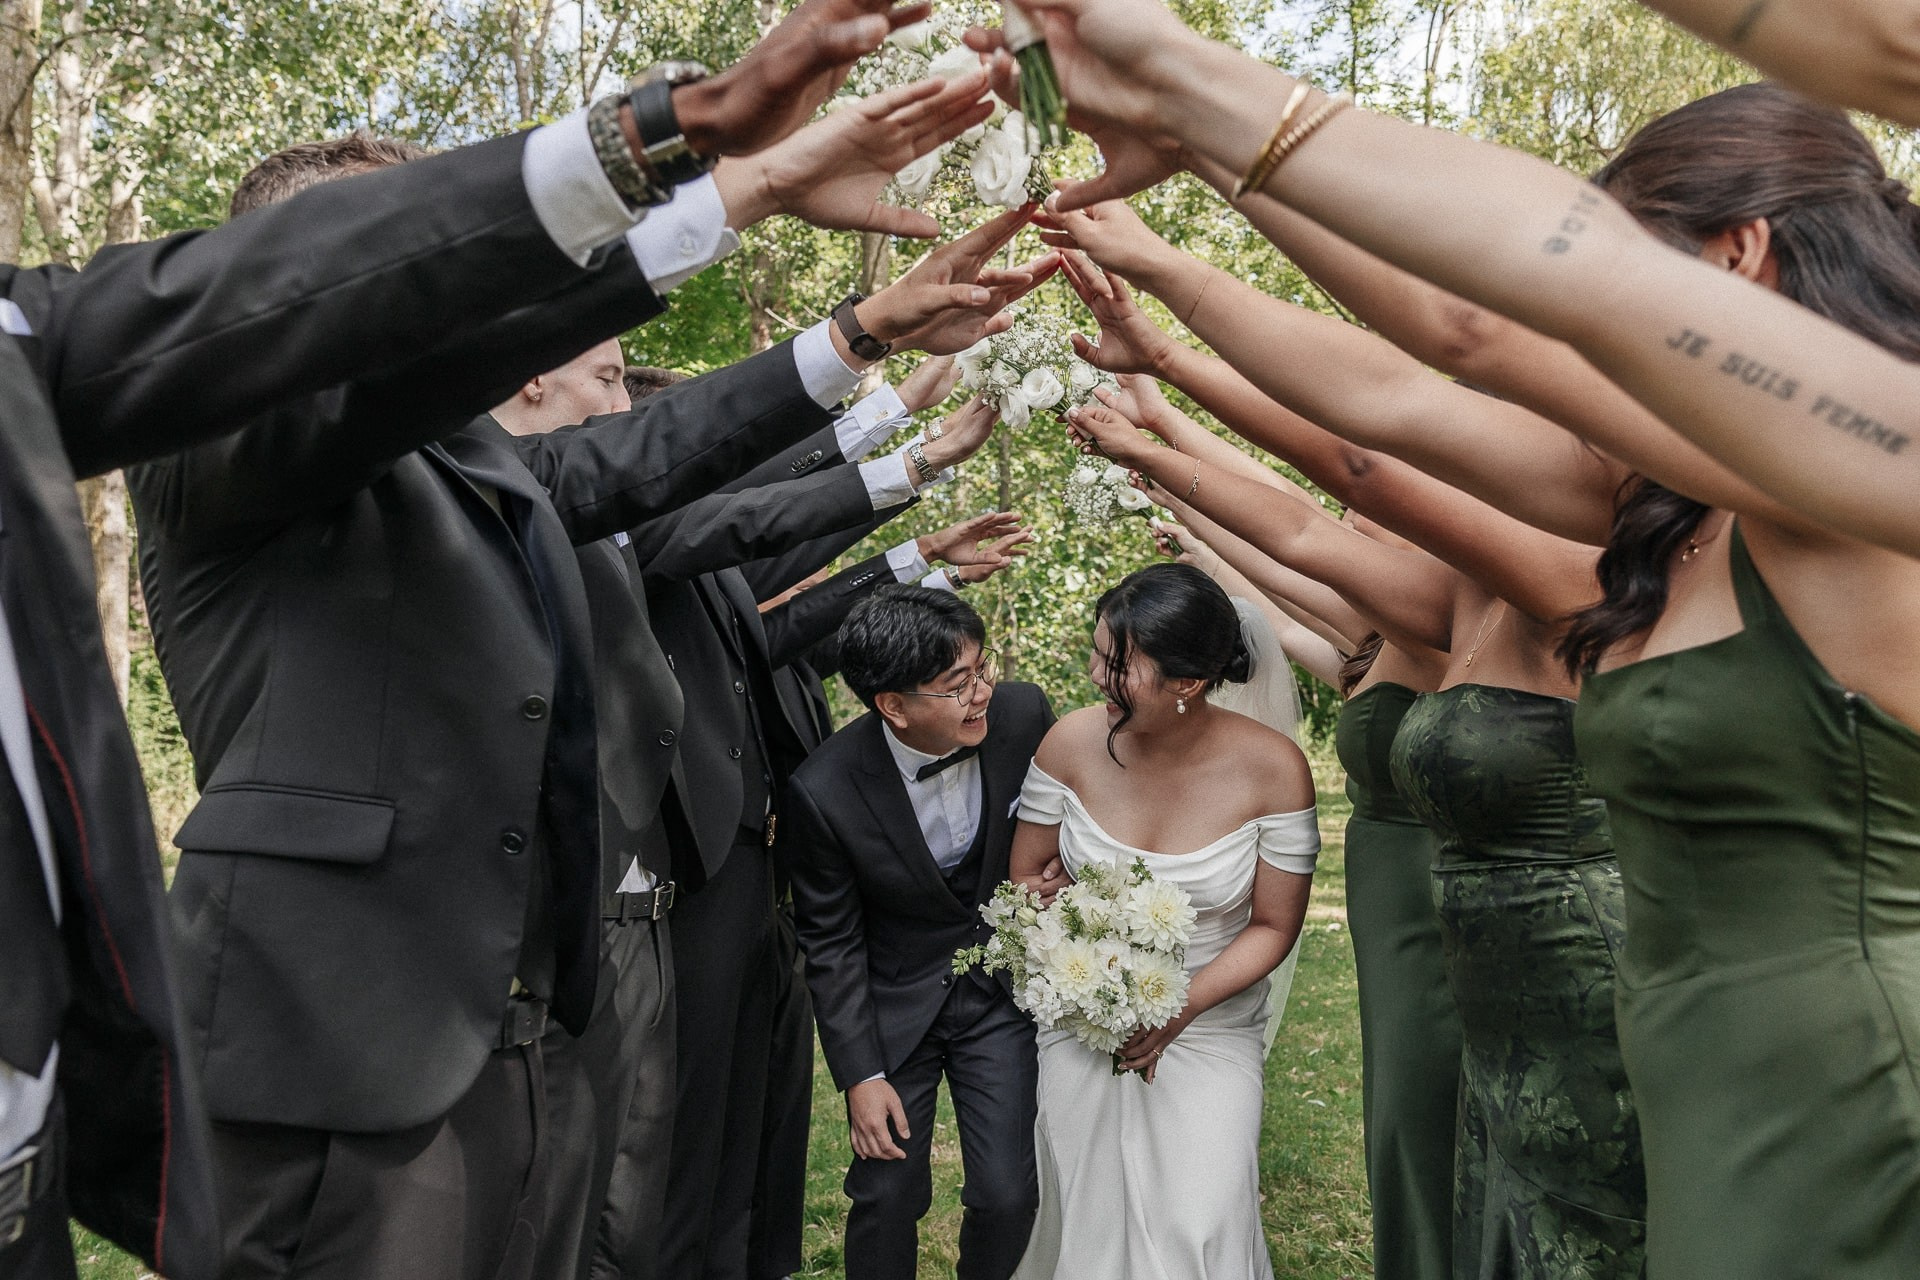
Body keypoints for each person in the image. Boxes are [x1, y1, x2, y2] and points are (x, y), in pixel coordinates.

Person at [0, 6, 937, 1270]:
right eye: (421, 257)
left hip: (521, 1031)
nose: (465, 285)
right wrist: (726, 171)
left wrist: (858, 336)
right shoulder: (221, 446)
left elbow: (642, 457)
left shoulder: (474, 463)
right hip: (341, 1044)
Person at [1002, 563, 1316, 1280]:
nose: (1096, 676)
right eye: (1097, 652)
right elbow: (1025, 878)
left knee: (1201, 1219)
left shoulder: (1275, 770)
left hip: (1210, 1022)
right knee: (1090, 1215)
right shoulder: (1068, 745)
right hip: (1083, 1020)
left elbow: (1272, 925)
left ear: (1188, 683)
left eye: (1119, 665)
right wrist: (1054, 917)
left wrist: (1177, 1008)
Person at [785, 585, 1054, 1280]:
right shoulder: (824, 790)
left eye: (981, 670)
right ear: (893, 706)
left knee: (1008, 1194)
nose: (981, 694)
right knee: (888, 1189)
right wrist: (860, 1076)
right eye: (955, 685)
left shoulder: (1024, 716)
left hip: (998, 996)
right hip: (893, 1007)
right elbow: (832, 941)